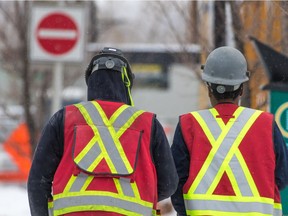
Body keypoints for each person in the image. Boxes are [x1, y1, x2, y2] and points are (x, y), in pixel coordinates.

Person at [28, 47, 178, 216]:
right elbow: (169, 183)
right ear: (126, 83)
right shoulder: (148, 124)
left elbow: (37, 182)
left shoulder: (65, 118)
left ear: (90, 81)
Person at [171, 46, 288, 216]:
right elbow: (281, 178)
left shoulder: (189, 125)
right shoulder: (266, 124)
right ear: (241, 89)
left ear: (209, 88)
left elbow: (176, 182)